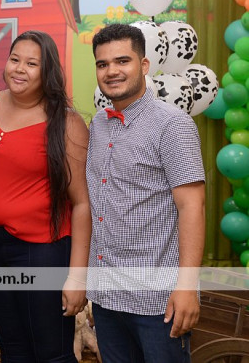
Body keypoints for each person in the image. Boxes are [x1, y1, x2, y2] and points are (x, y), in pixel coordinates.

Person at [0, 30, 92, 362]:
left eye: (31, 63)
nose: (19, 69)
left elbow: (82, 203)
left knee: (52, 353)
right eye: (14, 59)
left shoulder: (66, 123)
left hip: (41, 251)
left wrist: (77, 277)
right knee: (12, 349)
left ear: (47, 71)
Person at [87, 23, 205, 362]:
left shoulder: (172, 124)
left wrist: (187, 287)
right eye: (102, 64)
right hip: (108, 298)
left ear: (143, 65)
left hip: (158, 303)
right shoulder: (98, 125)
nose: (111, 71)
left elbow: (192, 206)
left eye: (122, 61)